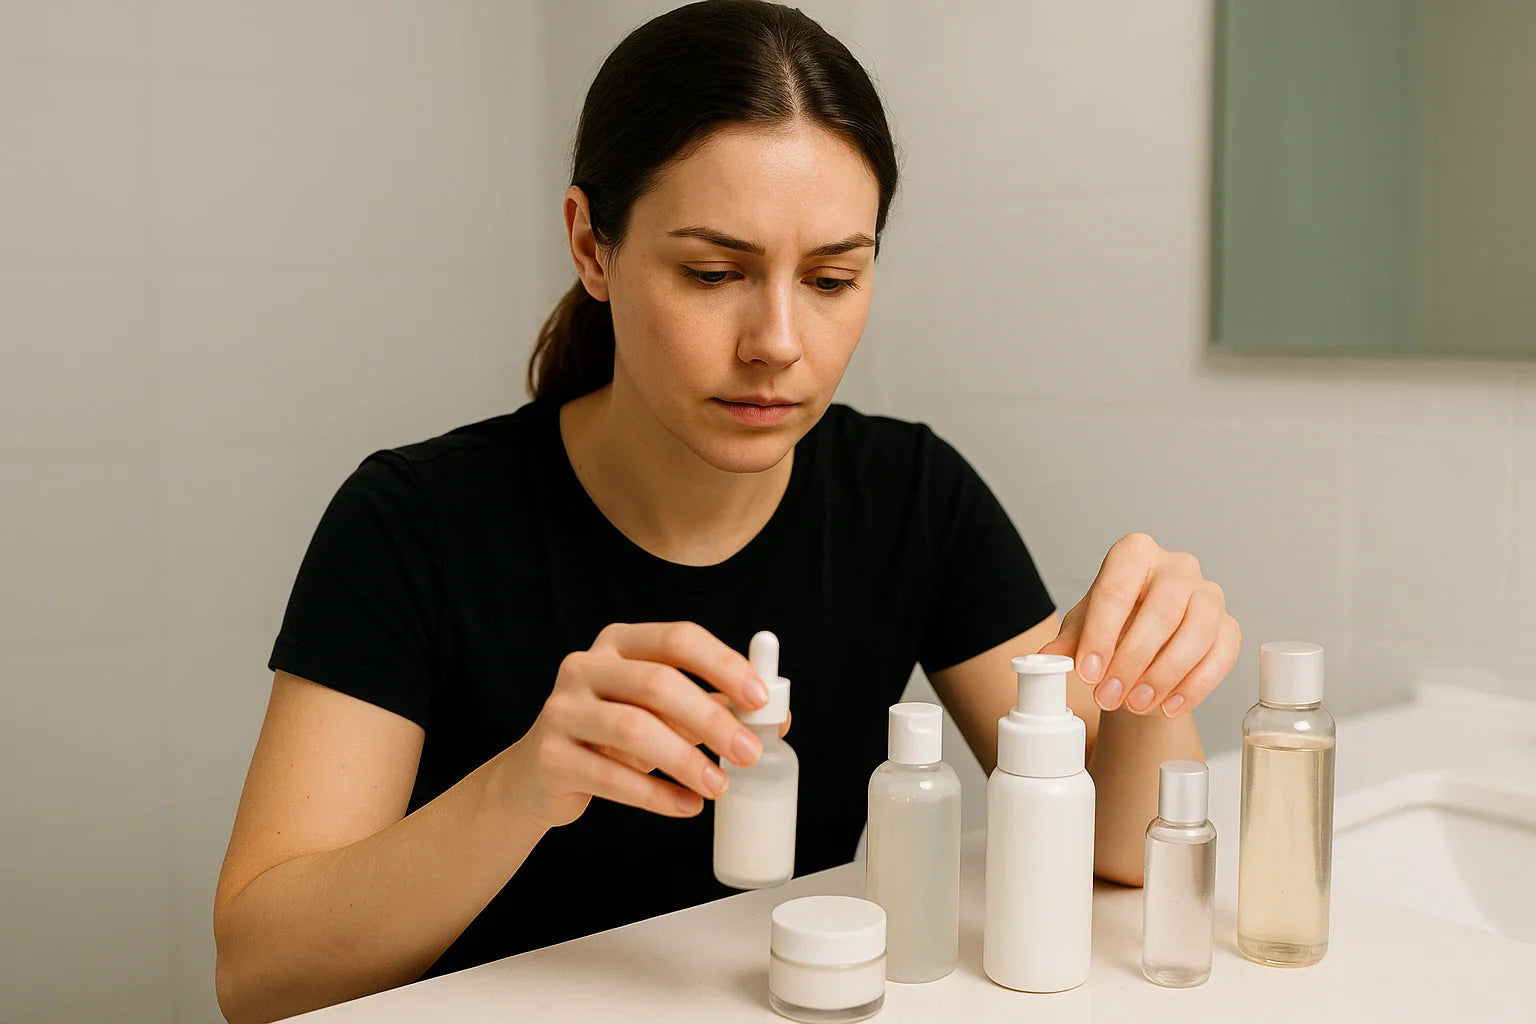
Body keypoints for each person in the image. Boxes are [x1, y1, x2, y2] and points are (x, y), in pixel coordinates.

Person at [211, 2, 1240, 1021]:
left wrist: (1150, 674)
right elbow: (259, 976)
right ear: (591, 246)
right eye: (714, 272)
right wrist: (522, 785)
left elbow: (1117, 851)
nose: (778, 341)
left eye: (834, 277)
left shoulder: (912, 497)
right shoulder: (414, 523)